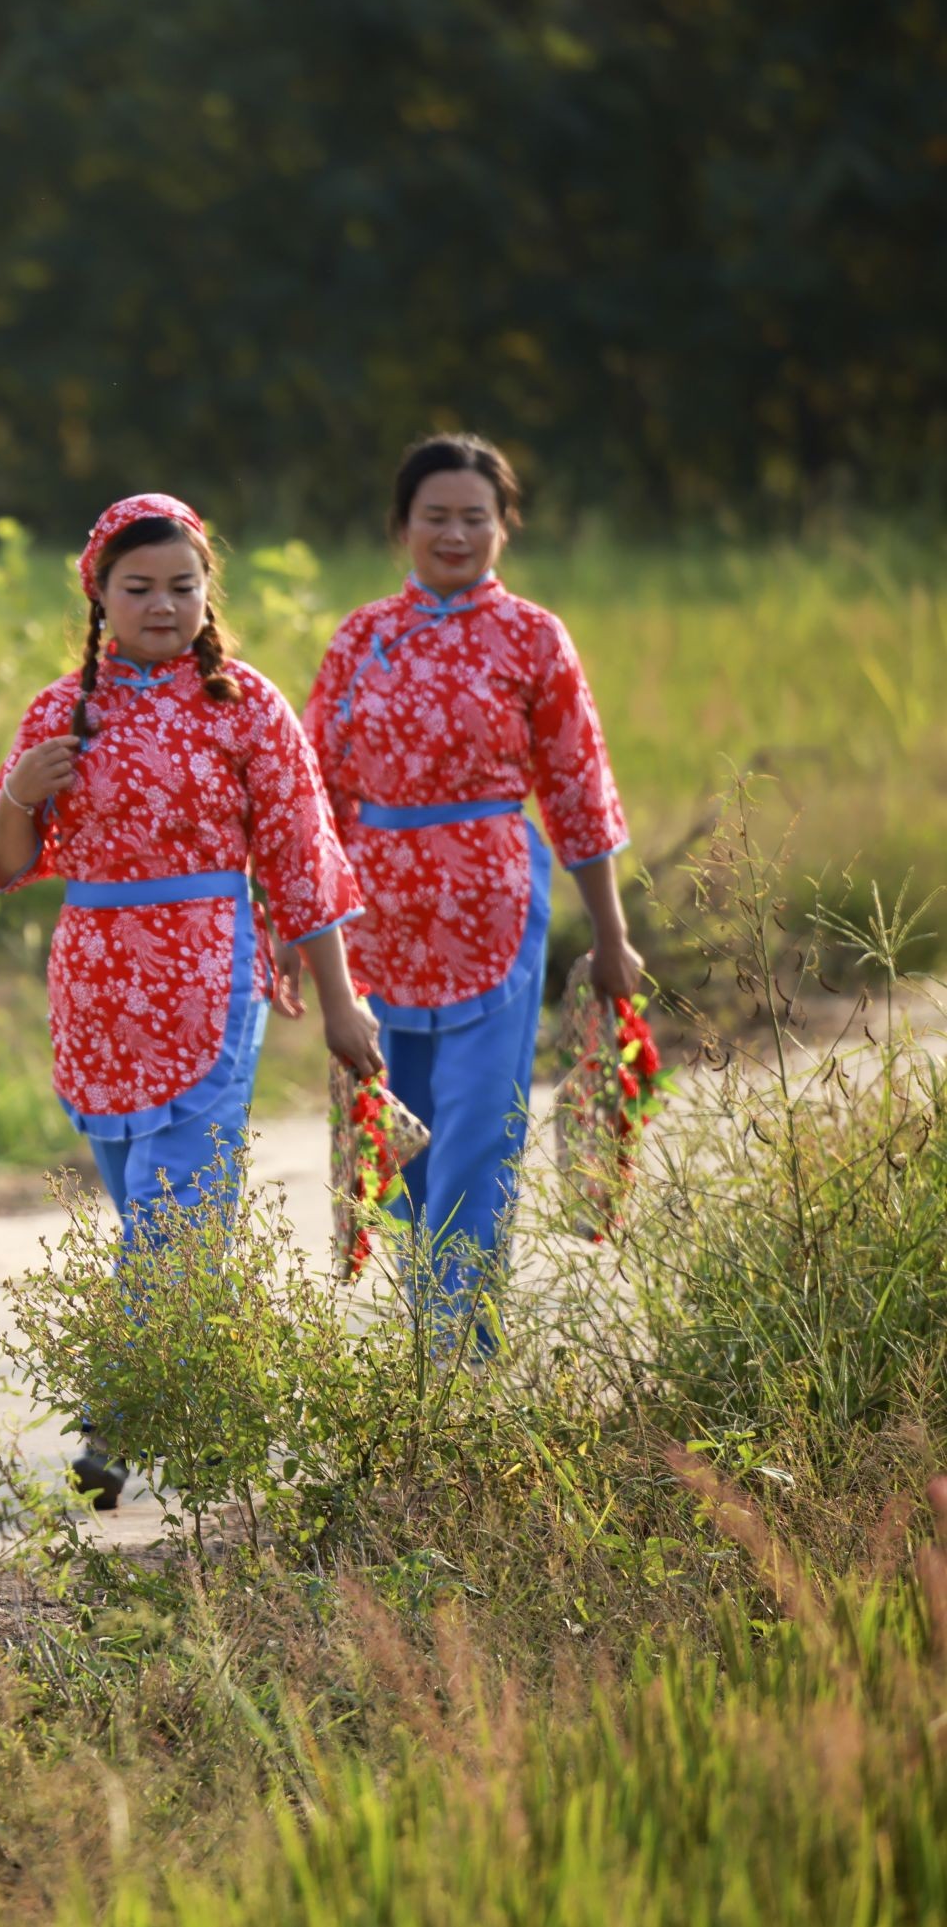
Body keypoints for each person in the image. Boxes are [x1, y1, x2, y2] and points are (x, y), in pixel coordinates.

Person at [0, 493, 379, 1506]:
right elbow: (5, 861)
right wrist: (25, 787)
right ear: (99, 596)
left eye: (183, 586)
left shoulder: (245, 705)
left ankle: (117, 1416)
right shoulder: (62, 711)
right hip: (97, 978)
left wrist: (340, 1001)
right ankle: (211, 1405)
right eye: (139, 587)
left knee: (176, 1205)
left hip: (208, 965)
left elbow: (301, 861)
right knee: (154, 1210)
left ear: (209, 595)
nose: (162, 604)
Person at [294, 434, 635, 1349]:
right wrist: (293, 925)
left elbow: (578, 787)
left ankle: (463, 1348)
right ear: (401, 525)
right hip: (377, 915)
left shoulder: (533, 637)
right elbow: (312, 794)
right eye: (434, 516)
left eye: (473, 517)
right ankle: (428, 1342)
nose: (454, 533)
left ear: (504, 527)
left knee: (483, 1125)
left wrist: (611, 933)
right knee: (402, 1131)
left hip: (493, 900)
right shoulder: (361, 635)